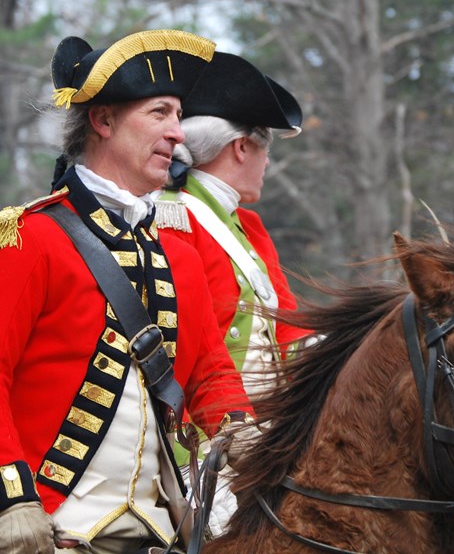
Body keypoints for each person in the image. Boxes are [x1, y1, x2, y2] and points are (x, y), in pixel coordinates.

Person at [0, 29, 254, 554]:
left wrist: (241, 431)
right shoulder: (31, 237)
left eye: (179, 116)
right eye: (159, 113)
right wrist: (11, 499)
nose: (177, 135)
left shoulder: (177, 252)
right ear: (104, 120)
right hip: (46, 527)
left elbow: (209, 367)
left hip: (161, 529)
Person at [153, 52, 308, 534]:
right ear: (242, 147)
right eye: (266, 150)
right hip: (202, 440)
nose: (266, 163)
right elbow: (190, 340)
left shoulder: (250, 225)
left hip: (268, 436)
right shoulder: (170, 216)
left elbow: (289, 328)